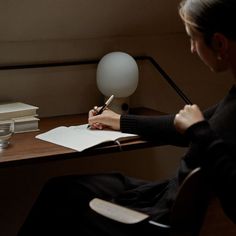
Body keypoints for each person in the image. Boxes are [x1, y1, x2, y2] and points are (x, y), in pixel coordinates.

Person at [18, 0, 236, 235]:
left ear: (219, 43)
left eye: (193, 39)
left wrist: (199, 131)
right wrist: (119, 121)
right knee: (63, 187)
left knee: (63, 198)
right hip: (164, 194)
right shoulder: (234, 98)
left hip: (163, 218)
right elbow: (181, 127)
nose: (192, 49)